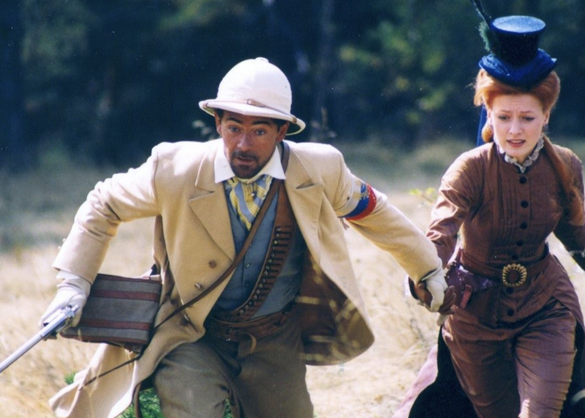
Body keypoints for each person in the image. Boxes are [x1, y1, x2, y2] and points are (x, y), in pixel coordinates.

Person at [39, 57, 448, 418]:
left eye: (260, 131)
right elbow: (104, 203)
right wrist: (74, 282)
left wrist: (427, 269)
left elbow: (373, 211)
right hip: (191, 334)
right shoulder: (175, 168)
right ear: (217, 123)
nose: (243, 144)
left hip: (275, 339)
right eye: (233, 128)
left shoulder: (321, 169)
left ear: (283, 131)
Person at [396, 3, 585, 418]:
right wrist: (423, 277)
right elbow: (440, 235)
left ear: (546, 115)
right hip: (475, 316)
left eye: (527, 117)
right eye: (503, 116)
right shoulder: (469, 169)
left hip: (546, 304)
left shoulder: (566, 166)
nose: (514, 129)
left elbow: (573, 231)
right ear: (488, 115)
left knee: (541, 411)